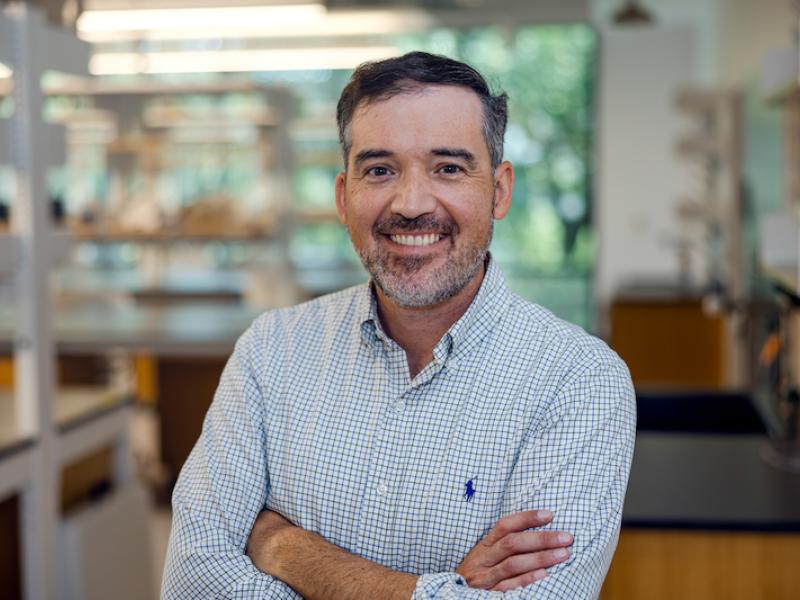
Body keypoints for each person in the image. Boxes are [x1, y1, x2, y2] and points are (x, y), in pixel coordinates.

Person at [161, 51, 636, 599]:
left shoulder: (578, 380)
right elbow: (192, 582)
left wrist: (284, 548)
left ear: (499, 191)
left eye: (449, 168)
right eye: (380, 170)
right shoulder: (271, 350)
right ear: (344, 196)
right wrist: (445, 589)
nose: (411, 204)